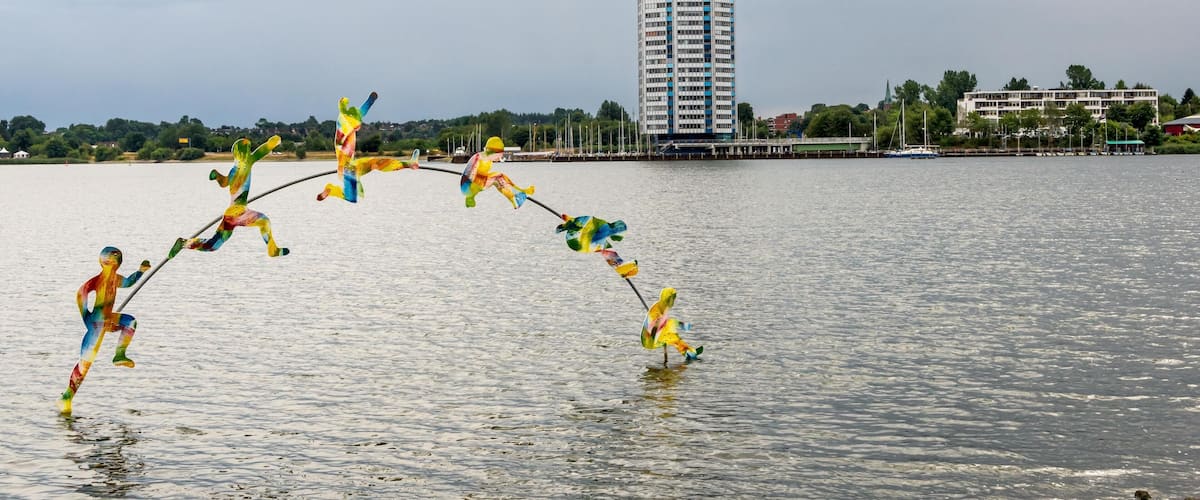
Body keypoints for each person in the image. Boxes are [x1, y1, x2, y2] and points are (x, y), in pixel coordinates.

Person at [60, 247, 151, 414]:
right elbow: (81, 295)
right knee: (85, 364)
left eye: (114, 260)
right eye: (109, 260)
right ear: (102, 262)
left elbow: (129, 282)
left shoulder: (115, 279)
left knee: (130, 322)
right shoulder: (97, 280)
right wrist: (86, 318)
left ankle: (119, 354)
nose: (111, 263)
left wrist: (140, 271)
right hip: (96, 324)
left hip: (108, 320)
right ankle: (67, 396)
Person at [170, 136, 288, 258]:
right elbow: (262, 151)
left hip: (231, 214)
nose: (250, 151)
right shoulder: (247, 162)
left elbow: (224, 183)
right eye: (247, 148)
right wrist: (274, 142)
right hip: (239, 212)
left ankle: (184, 243)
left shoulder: (233, 170)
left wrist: (216, 176)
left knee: (214, 244)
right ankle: (272, 250)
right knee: (264, 221)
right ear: (242, 152)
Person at [318, 93, 421, 202]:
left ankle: (331, 189)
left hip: (348, 169)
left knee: (351, 197)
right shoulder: (343, 127)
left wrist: (370, 100)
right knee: (375, 163)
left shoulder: (347, 123)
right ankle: (409, 164)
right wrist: (369, 101)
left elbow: (361, 112)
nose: (358, 125)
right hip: (349, 167)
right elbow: (356, 113)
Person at [460, 136, 534, 209]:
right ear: (492, 152)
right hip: (470, 186)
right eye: (498, 156)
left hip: (477, 183)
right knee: (498, 177)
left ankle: (517, 194)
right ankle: (516, 197)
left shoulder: (488, 160)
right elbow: (470, 175)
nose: (499, 159)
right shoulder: (478, 158)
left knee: (500, 179)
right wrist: (470, 196)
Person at [641, 288, 702, 362]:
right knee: (671, 332)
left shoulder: (663, 308)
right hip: (650, 339)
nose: (673, 301)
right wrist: (658, 324)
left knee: (672, 332)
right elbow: (653, 326)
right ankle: (686, 351)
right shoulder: (656, 309)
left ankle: (687, 351)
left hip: (659, 334)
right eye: (672, 299)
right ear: (667, 298)